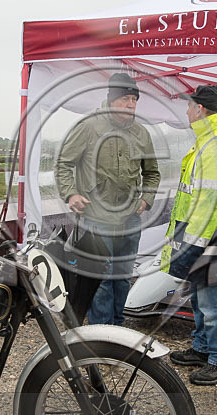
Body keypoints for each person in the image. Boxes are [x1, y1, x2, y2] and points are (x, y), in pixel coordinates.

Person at [55, 72, 161, 325]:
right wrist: (71, 193)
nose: (130, 104)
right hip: (96, 219)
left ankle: (117, 326)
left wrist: (146, 199)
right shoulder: (89, 126)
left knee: (122, 277)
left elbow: (152, 173)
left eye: (134, 100)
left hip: (129, 219)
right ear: (111, 99)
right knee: (100, 280)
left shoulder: (141, 133)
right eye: (125, 99)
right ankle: (102, 333)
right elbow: (63, 164)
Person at [165, 85, 217, 386]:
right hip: (207, 233)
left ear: (200, 109)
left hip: (215, 236)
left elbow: (211, 203)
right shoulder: (208, 141)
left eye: (189, 107)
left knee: (214, 297)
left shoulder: (216, 146)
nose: (187, 112)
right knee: (201, 295)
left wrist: (194, 244)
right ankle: (202, 348)